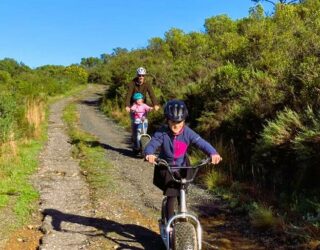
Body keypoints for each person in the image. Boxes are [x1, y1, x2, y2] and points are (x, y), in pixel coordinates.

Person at [144, 100, 222, 222]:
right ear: (167, 120)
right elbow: (152, 144)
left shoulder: (188, 132)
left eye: (179, 122)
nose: (176, 125)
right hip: (166, 167)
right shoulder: (162, 132)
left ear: (184, 120)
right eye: (173, 122)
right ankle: (169, 226)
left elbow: (201, 143)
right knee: (172, 194)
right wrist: (149, 154)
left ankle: (183, 220)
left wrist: (213, 153)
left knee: (182, 192)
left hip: (183, 167)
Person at [125, 67, 160, 148]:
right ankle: (134, 139)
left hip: (143, 107)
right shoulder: (132, 83)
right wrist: (127, 106)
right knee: (134, 124)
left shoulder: (147, 84)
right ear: (137, 75)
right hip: (133, 107)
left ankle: (143, 140)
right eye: (139, 75)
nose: (141, 77)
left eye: (143, 75)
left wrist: (155, 104)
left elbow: (152, 94)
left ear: (145, 76)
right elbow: (128, 95)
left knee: (144, 123)